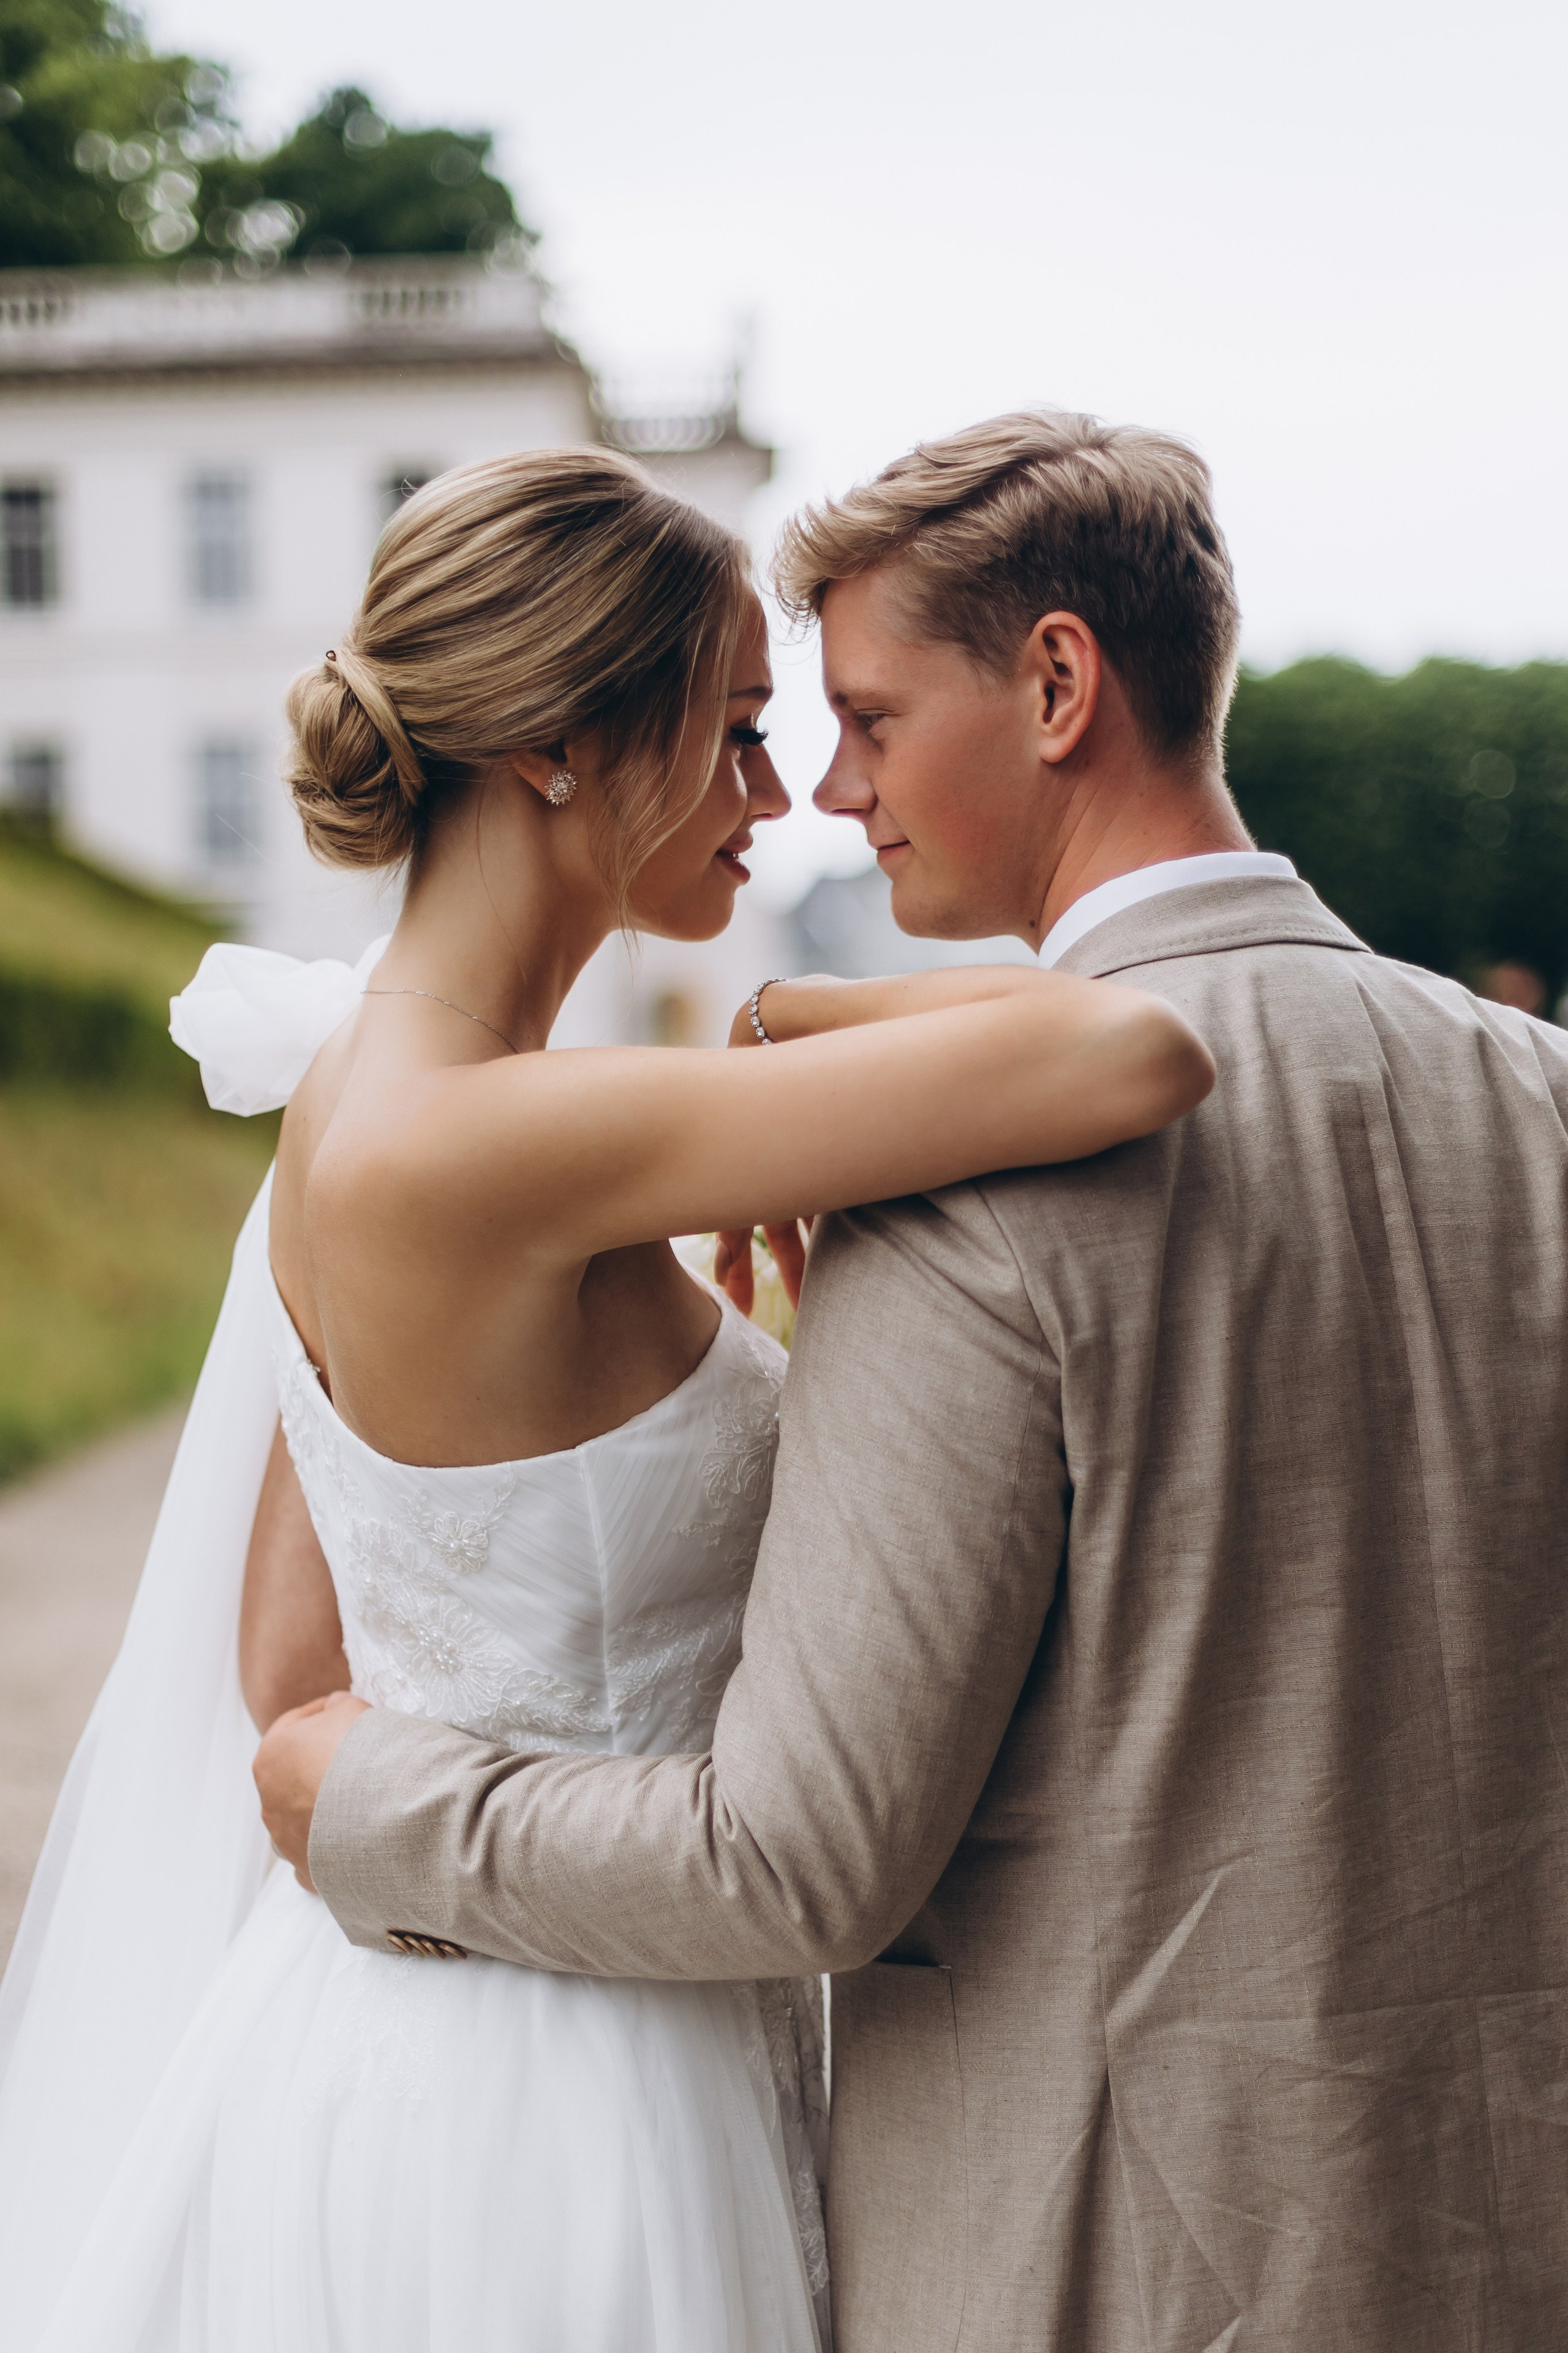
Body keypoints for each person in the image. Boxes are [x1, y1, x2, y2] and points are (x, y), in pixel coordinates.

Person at [262, 412, 1568, 2352]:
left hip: (1092, 2263)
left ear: (1057, 683)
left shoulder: (953, 1177)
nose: (824, 787)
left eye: (862, 717)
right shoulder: (1539, 1095)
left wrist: (364, 1805)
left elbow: (796, 1850)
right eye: (767, 727)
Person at [0, 443, 1211, 2352]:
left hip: (403, 2034)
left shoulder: (347, 1100)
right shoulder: (515, 1134)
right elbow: (1136, 1045)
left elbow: (292, 1662)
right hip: (564, 2091)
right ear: (556, 744)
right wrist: (786, 1025)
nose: (777, 800)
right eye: (736, 734)